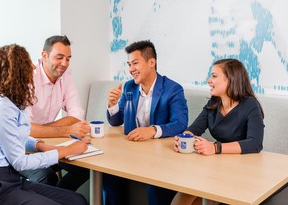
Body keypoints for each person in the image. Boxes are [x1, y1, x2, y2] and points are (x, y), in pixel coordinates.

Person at [0, 44, 89, 205]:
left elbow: (16, 136)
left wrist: (39, 144)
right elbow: (19, 161)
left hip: (13, 179)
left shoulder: (14, 103)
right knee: (47, 180)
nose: (33, 66)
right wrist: (66, 150)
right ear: (17, 71)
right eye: (28, 63)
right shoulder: (3, 108)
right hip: (4, 184)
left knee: (78, 200)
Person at [104, 40, 188, 205]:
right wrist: (112, 105)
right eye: (129, 64)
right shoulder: (129, 86)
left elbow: (180, 123)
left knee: (156, 186)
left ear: (151, 62)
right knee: (109, 175)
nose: (131, 69)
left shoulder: (173, 89)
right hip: (131, 152)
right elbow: (116, 120)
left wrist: (152, 130)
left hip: (160, 157)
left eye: (135, 63)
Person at [171, 58, 265, 205]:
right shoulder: (213, 103)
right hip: (216, 167)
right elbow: (194, 129)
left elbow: (255, 143)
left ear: (230, 79)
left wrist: (215, 148)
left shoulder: (250, 105)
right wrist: (183, 139)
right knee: (184, 196)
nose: (209, 80)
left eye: (214, 76)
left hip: (243, 173)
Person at [19, 35, 90, 191]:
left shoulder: (65, 75)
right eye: (59, 57)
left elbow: (77, 115)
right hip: (24, 148)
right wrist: (65, 130)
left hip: (49, 144)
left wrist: (43, 129)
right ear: (44, 55)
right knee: (45, 176)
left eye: (68, 58)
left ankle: (59, 198)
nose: (64, 64)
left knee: (86, 169)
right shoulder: (28, 77)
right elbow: (26, 129)